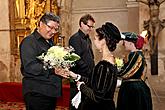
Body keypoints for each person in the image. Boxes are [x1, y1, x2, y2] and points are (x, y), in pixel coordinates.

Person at [19, 12, 68, 110]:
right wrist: (53, 69)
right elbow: (30, 67)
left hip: (49, 91)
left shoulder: (49, 42)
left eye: (56, 29)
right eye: (50, 27)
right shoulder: (29, 42)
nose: (53, 31)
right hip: (37, 93)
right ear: (41, 24)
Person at [69, 22, 121, 110]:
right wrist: (76, 76)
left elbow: (97, 96)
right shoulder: (111, 60)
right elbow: (96, 83)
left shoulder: (104, 65)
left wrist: (81, 86)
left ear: (103, 40)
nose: (94, 41)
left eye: (95, 38)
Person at [116, 32, 153, 110]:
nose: (123, 44)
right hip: (131, 88)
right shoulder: (133, 55)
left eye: (124, 42)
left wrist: (114, 70)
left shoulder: (136, 55)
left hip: (134, 91)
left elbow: (127, 73)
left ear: (130, 43)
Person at [68, 14, 95, 110]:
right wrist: (89, 71)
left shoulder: (88, 38)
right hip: (79, 77)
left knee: (86, 105)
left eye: (92, 27)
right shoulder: (75, 38)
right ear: (82, 24)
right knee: (77, 105)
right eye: (89, 26)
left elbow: (90, 57)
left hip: (87, 77)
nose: (91, 29)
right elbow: (76, 59)